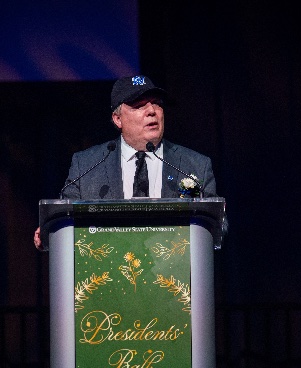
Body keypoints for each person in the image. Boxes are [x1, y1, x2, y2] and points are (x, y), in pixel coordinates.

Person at [34, 74, 218, 250]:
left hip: (174, 275)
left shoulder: (195, 166)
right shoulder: (86, 165)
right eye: (139, 106)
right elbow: (65, 218)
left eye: (156, 103)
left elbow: (216, 226)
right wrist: (53, 230)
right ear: (118, 119)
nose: (152, 111)